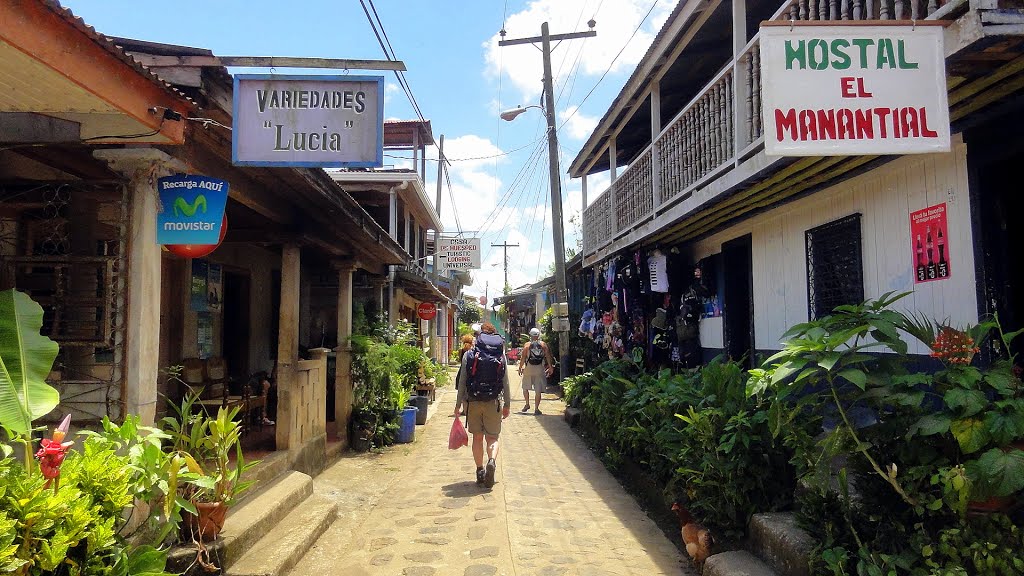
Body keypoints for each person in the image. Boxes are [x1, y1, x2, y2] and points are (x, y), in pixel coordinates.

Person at [454, 322, 511, 488]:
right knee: (492, 438)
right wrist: (507, 403)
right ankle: (492, 460)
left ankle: (480, 470)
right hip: (493, 401)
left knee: (477, 438)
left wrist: (458, 405)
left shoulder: (469, 354)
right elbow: (505, 382)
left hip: (473, 401)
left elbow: (462, 381)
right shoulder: (500, 355)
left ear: (479, 336)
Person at [518, 327, 554, 415]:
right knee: (538, 390)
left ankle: (527, 404)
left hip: (528, 368)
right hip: (539, 369)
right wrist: (550, 367)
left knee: (525, 387)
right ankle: (536, 409)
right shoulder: (543, 345)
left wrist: (520, 367)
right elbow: (548, 357)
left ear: (530, 335)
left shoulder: (527, 345)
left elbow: (523, 358)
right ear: (538, 335)